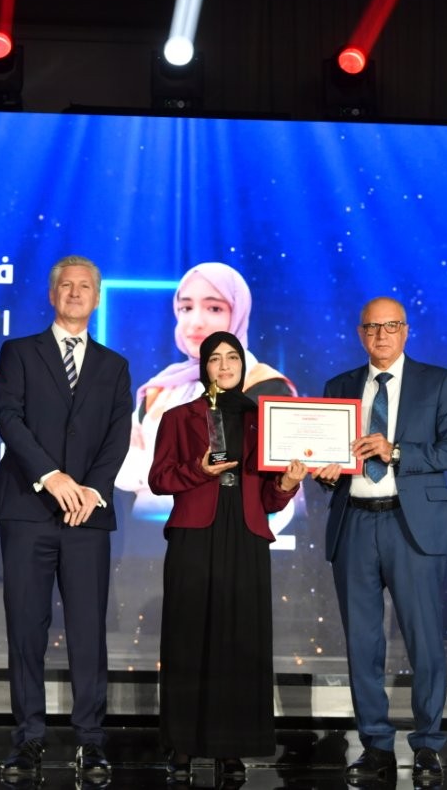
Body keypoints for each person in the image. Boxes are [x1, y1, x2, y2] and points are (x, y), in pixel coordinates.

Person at [0, 255, 133, 780]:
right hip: (28, 510)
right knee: (26, 628)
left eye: (84, 286)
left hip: (86, 515)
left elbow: (118, 435)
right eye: (65, 285)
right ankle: (28, 739)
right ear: (52, 295)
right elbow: (9, 419)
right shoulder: (19, 353)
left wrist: (91, 489)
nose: (74, 293)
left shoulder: (114, 366)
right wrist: (52, 477)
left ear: (96, 297)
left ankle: (91, 741)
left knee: (88, 631)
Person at [315, 297, 447, 784]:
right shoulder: (339, 386)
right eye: (371, 328)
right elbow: (327, 458)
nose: (381, 335)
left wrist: (396, 450)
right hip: (355, 524)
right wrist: (322, 472)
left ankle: (427, 746)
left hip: (411, 525)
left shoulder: (437, 381)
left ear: (405, 331)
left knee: (424, 641)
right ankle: (376, 747)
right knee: (362, 645)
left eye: (390, 326)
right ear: (360, 334)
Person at [148, 330, 307, 779]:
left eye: (231, 357)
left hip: (246, 534)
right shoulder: (179, 417)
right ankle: (182, 747)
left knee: (240, 643)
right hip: (195, 535)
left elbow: (271, 499)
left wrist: (288, 483)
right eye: (214, 358)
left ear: (242, 363)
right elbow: (159, 479)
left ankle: (230, 748)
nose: (224, 366)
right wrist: (198, 470)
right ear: (204, 367)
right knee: (187, 638)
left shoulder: (265, 419)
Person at [116, 262, 296, 525]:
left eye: (214, 308)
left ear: (238, 313)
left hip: (231, 532)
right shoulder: (162, 387)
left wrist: (160, 469)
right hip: (149, 537)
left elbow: (242, 472)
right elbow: (122, 468)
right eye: (186, 308)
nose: (196, 322)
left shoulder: (264, 386)